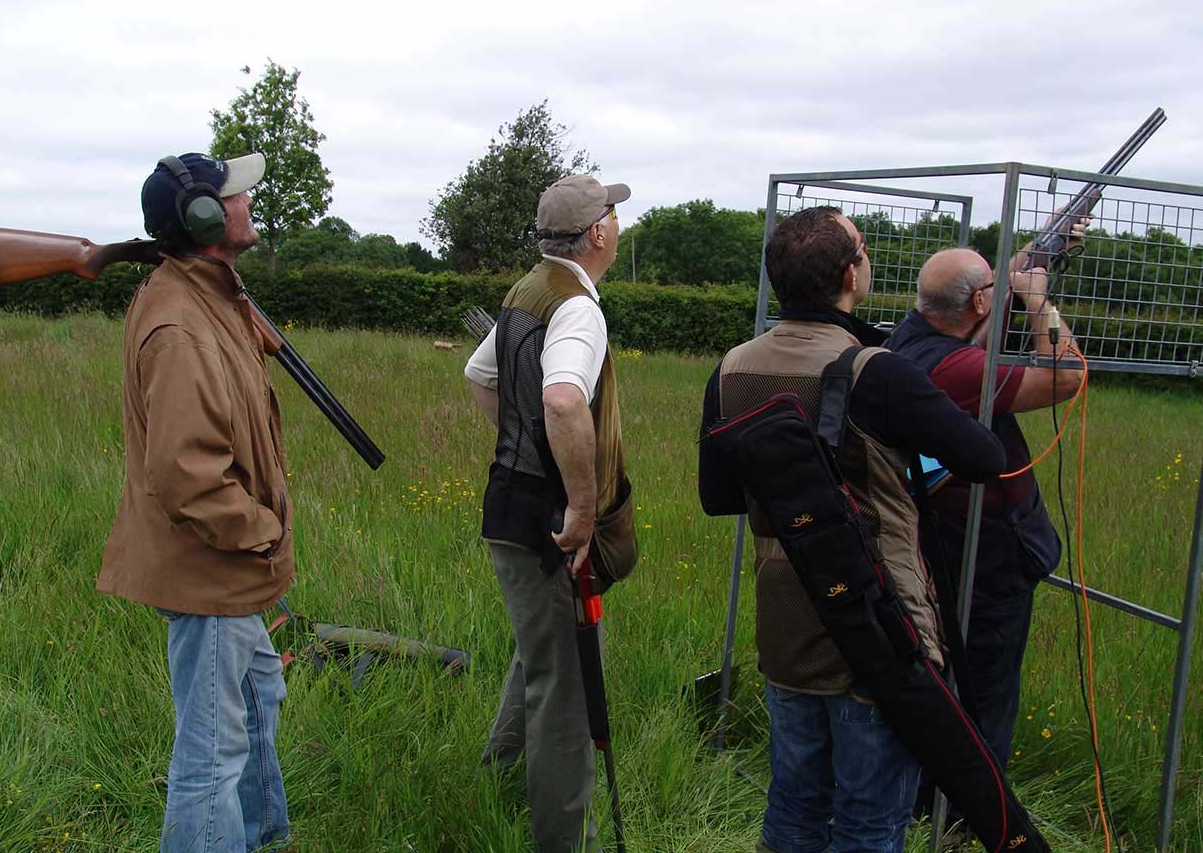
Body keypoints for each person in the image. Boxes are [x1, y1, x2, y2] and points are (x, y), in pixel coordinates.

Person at [697, 206, 1006, 853]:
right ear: (848, 275)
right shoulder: (878, 370)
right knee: (868, 823)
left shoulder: (730, 368)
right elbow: (985, 458)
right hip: (877, 621)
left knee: (792, 809)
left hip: (785, 618)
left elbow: (719, 496)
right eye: (863, 251)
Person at [96, 152, 293, 853]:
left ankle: (263, 836)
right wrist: (262, 532)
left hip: (229, 571)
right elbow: (187, 476)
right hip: (210, 568)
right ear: (206, 219)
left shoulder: (209, 297)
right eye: (235, 197)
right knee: (212, 756)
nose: (248, 204)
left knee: (257, 704)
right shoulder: (180, 325)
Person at [464, 174, 637, 853]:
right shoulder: (577, 308)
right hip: (550, 521)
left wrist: (520, 445)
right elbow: (564, 400)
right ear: (596, 233)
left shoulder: (527, 289)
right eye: (614, 217)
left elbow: (481, 376)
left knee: (543, 654)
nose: (618, 227)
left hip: (512, 504)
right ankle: (565, 843)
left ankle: (499, 775)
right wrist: (584, 505)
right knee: (565, 696)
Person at [886, 236, 1086, 774]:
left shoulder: (909, 339)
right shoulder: (957, 369)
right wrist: (1038, 298)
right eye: (994, 292)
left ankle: (935, 804)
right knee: (985, 693)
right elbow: (1067, 374)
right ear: (978, 304)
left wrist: (1045, 243)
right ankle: (970, 815)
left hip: (939, 542)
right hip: (985, 554)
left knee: (948, 677)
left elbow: (980, 304)